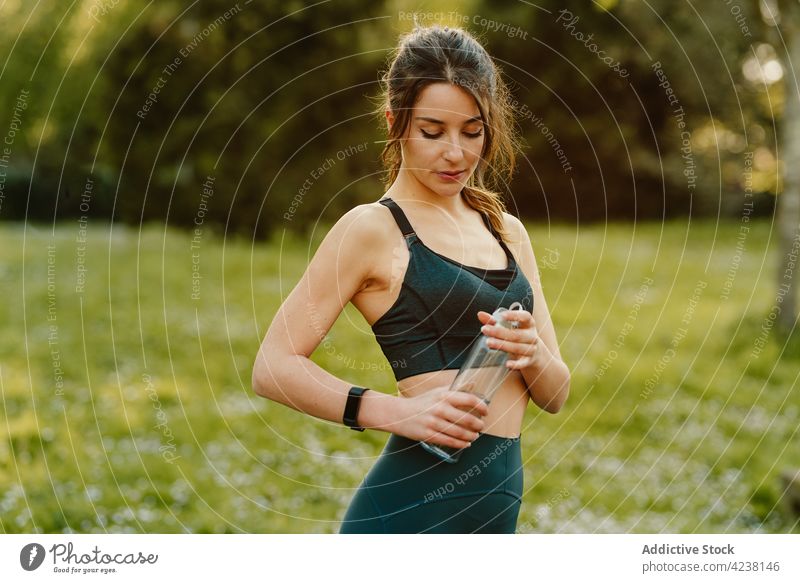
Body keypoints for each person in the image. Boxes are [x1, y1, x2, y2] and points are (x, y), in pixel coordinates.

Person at [252, 24, 570, 534]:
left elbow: (555, 396)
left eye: (473, 131)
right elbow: (272, 367)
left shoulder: (506, 230)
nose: (456, 153)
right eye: (431, 131)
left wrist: (534, 353)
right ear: (395, 123)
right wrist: (393, 412)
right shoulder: (371, 229)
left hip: (495, 513)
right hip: (410, 509)